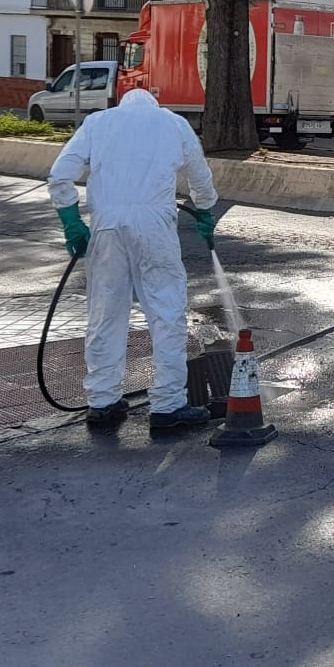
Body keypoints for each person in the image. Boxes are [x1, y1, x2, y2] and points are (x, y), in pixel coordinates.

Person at [48, 88, 220, 434]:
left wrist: (71, 223)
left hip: (106, 226)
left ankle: (103, 401)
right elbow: (200, 176)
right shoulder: (173, 123)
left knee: (105, 312)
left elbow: (59, 174)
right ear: (154, 105)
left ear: (121, 104)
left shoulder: (98, 123)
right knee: (166, 312)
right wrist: (205, 210)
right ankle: (168, 405)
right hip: (155, 226)